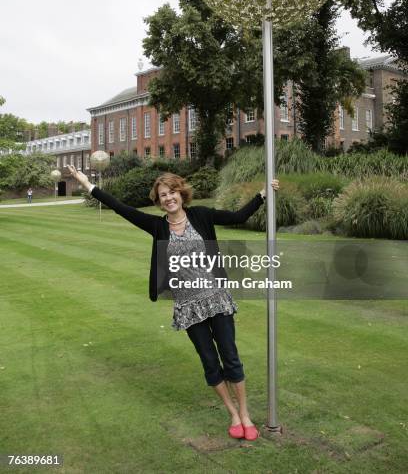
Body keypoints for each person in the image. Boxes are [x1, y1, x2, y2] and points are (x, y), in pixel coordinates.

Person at [67, 164, 279, 441]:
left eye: (172, 192)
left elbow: (237, 216)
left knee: (231, 357)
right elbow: (121, 208)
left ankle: (246, 414)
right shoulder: (157, 226)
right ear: (159, 201)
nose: (168, 198)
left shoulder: (201, 216)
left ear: (181, 194)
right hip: (188, 308)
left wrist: (263, 195)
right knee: (210, 363)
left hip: (217, 300)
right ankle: (233, 414)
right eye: (162, 195)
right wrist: (87, 184)